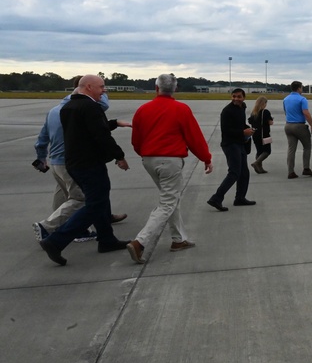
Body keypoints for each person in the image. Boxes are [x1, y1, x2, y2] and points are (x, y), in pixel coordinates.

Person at [37, 75, 132, 266]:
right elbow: (101, 135)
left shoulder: (69, 107)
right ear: (89, 87)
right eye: (102, 87)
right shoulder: (91, 107)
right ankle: (55, 241)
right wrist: (119, 156)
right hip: (89, 164)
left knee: (100, 200)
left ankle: (106, 240)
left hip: (74, 163)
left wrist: (113, 123)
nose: (104, 90)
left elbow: (85, 130)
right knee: (94, 204)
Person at [127, 73, 214, 264]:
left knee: (171, 197)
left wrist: (144, 153)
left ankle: (178, 239)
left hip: (149, 159)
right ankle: (140, 242)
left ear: (156, 88)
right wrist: (206, 158)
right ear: (175, 89)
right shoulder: (181, 109)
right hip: (170, 161)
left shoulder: (143, 109)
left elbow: (136, 139)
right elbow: (194, 138)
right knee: (168, 202)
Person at [207, 88, 255, 211]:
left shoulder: (242, 107)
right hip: (230, 144)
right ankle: (216, 198)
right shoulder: (227, 111)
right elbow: (226, 130)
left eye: (238, 96)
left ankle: (240, 198)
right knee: (234, 172)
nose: (236, 99)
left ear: (244, 97)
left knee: (244, 172)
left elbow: (239, 124)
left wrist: (248, 129)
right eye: (234, 96)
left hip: (240, 143)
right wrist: (243, 132)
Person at [283, 81, 312, 178]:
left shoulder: (285, 99)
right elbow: (306, 113)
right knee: (307, 147)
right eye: (301, 88)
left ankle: (290, 171)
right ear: (299, 88)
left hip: (288, 125)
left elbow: (286, 112)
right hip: (299, 126)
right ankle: (306, 168)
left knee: (291, 149)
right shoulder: (302, 99)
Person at [249, 96, 273, 174]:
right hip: (264, 134)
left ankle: (260, 168)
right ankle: (256, 163)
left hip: (255, 134)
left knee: (259, 151)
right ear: (264, 103)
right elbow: (270, 122)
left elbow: (250, 121)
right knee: (267, 151)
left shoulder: (253, 112)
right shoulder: (265, 112)